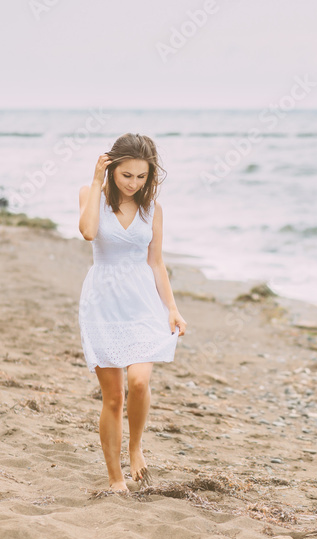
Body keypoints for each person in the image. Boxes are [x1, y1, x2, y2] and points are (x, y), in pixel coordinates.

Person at [77, 133, 188, 493]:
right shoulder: (91, 194)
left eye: (141, 177)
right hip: (104, 303)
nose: (133, 184)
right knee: (113, 397)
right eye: (126, 175)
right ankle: (115, 478)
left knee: (139, 382)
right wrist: (97, 181)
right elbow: (88, 231)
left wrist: (172, 308)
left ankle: (136, 446)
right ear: (112, 169)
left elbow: (156, 263)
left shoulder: (152, 209)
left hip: (142, 303)